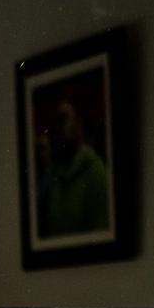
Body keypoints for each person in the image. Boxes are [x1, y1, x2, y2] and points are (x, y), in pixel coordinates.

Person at [36, 97, 111, 239]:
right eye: (56, 122)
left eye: (63, 120)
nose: (58, 128)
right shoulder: (55, 174)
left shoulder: (96, 171)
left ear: (79, 123)